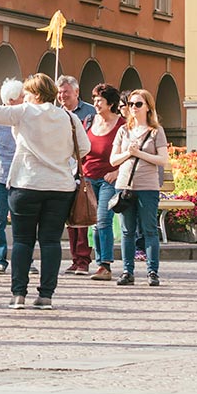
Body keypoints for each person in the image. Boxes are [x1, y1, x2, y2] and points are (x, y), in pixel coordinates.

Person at [0, 74, 89, 309]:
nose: (24, 97)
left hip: (26, 184)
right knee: (50, 242)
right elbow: (85, 147)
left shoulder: (25, 111)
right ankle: (46, 295)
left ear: (35, 94)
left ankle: (18, 294)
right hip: (59, 187)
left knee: (22, 241)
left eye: (27, 93)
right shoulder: (68, 117)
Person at [111, 88, 168, 287]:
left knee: (150, 230)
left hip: (147, 186)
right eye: (130, 104)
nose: (133, 108)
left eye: (138, 104)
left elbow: (163, 159)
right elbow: (113, 160)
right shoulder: (123, 130)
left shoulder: (155, 131)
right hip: (125, 186)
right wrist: (129, 152)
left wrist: (139, 154)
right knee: (127, 231)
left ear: (148, 107)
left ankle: (152, 271)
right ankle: (128, 271)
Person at [81, 85, 125, 282]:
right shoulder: (89, 121)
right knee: (94, 222)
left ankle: (104, 264)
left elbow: (128, 154)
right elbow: (80, 147)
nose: (96, 103)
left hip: (109, 178)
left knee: (103, 219)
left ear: (111, 103)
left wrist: (116, 172)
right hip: (88, 178)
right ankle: (100, 262)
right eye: (94, 98)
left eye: (100, 99)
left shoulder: (122, 125)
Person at [55, 75, 97, 273]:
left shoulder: (90, 112)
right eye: (60, 92)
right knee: (70, 217)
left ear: (76, 92)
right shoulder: (55, 113)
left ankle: (83, 260)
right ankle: (74, 258)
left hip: (84, 169)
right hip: (63, 169)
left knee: (82, 214)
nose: (62, 96)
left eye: (66, 92)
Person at [0, 79, 23, 275]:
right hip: (0, 175)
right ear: (10, 100)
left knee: (22, 219)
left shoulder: (25, 117)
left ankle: (23, 257)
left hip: (22, 176)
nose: (25, 101)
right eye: (21, 98)